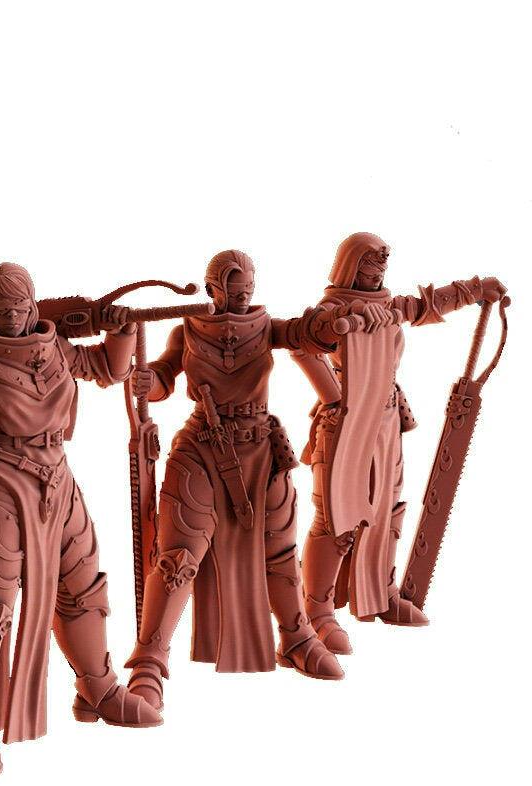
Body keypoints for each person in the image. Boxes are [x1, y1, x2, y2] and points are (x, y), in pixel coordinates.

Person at [0, 262, 161, 779]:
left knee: (83, 587)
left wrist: (122, 330)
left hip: (57, 478)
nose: (12, 318)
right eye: (1, 310)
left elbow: (108, 370)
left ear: (34, 307)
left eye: (20, 309)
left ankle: (98, 687)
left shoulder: (56, 347)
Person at [125, 249, 348, 711]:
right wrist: (148, 382)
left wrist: (328, 324)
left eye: (248, 286)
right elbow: (165, 374)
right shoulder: (187, 328)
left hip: (261, 447)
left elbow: (305, 334)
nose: (243, 294)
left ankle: (296, 637)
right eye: (233, 286)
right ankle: (149, 661)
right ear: (213, 288)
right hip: (202, 445)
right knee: (178, 555)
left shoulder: (266, 327)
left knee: (280, 551)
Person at [297, 232, 507, 651]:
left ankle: (381, 593)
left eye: (382, 266)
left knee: (385, 510)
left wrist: (475, 289)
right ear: (350, 266)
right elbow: (303, 347)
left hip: (387, 421)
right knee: (336, 516)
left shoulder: (387, 307)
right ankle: (317, 611)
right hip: (344, 426)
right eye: (369, 266)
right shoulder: (330, 312)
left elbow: (428, 305)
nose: (377, 273)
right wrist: (335, 398)